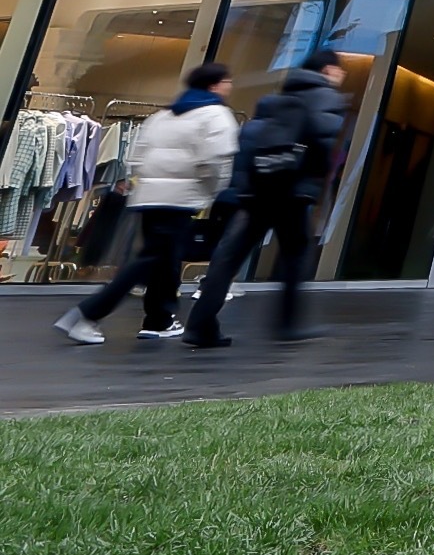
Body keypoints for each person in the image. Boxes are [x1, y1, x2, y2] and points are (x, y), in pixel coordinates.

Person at [55, 64, 235, 345]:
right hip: (180, 198)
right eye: (227, 81)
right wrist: (211, 192)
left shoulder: (162, 116)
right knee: (150, 259)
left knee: (165, 259)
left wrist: (145, 185)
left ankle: (159, 320)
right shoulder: (216, 115)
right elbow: (216, 162)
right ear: (215, 85)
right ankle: (87, 314)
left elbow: (136, 158)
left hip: (149, 197)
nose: (229, 86)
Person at [185, 51, 348, 348]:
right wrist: (317, 181)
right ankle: (288, 324)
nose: (342, 76)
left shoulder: (276, 98)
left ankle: (199, 324)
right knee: (296, 254)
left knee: (229, 257)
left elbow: (251, 140)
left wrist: (247, 183)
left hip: (260, 186)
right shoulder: (326, 97)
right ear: (328, 70)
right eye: (339, 70)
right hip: (291, 190)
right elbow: (322, 144)